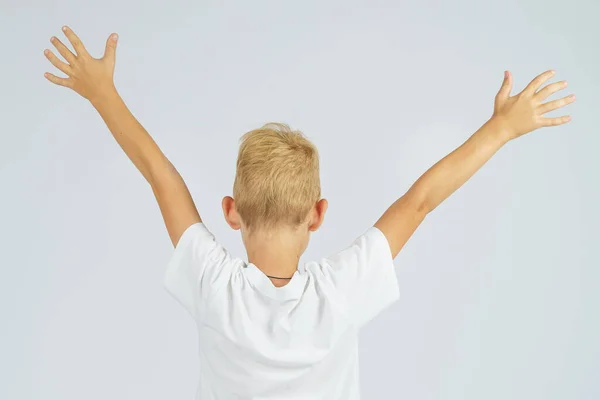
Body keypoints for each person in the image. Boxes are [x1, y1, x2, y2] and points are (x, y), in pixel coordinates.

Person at [43, 26, 575, 400]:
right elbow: (421, 200)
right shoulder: (340, 293)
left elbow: (160, 174)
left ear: (231, 212)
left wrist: (102, 93)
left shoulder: (212, 285)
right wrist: (502, 128)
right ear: (317, 215)